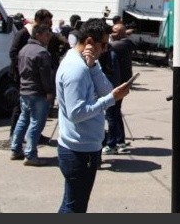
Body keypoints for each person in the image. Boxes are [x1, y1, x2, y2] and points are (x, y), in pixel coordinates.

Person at [55, 18, 132, 213]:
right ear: (89, 41)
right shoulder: (76, 69)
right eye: (104, 44)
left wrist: (94, 66)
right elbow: (76, 113)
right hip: (78, 151)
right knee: (74, 207)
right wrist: (111, 99)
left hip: (83, 147)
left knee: (72, 204)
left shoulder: (85, 64)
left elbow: (106, 90)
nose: (106, 49)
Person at [10, 22, 55, 166]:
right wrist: (49, 91)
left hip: (25, 90)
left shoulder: (24, 50)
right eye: (46, 34)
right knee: (36, 123)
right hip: (37, 92)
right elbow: (46, 75)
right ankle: (30, 154)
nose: (49, 37)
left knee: (23, 119)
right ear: (38, 35)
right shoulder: (41, 52)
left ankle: (16, 149)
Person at [101, 23, 137, 153]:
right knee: (116, 113)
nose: (112, 33)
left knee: (111, 114)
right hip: (122, 84)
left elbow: (105, 50)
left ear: (123, 33)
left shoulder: (116, 46)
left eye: (115, 31)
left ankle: (112, 143)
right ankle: (120, 140)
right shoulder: (125, 44)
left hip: (117, 85)